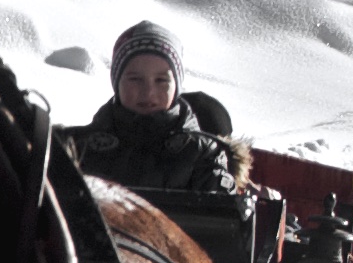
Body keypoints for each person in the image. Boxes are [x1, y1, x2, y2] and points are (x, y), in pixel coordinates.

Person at [74, 19, 243, 197]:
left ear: (176, 86)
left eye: (161, 80)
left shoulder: (202, 154)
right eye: (135, 79)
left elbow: (219, 219)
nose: (148, 92)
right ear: (117, 83)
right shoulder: (82, 148)